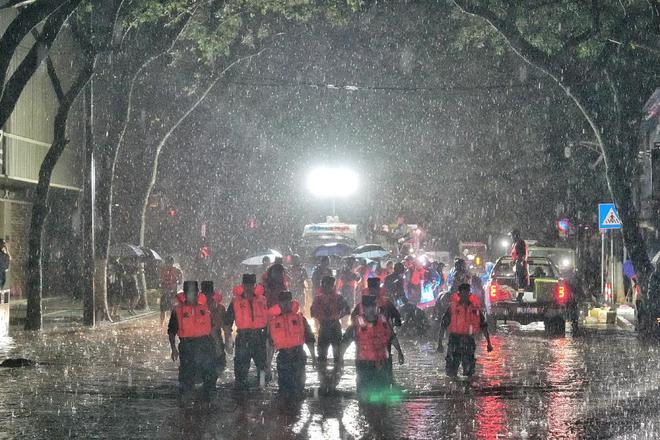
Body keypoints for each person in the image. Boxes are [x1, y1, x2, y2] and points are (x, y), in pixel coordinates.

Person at [341, 294, 404, 401]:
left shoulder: (384, 321)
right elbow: (345, 343)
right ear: (363, 308)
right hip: (364, 365)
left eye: (373, 306)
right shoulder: (356, 325)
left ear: (377, 307)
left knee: (383, 395)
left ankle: (380, 415)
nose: (370, 309)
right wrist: (340, 359)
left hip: (382, 364)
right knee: (364, 396)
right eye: (367, 307)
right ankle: (365, 413)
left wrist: (400, 352)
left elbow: (392, 337)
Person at [168, 281, 220, 405]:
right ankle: (186, 398)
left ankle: (208, 397)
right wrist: (173, 348)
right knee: (187, 373)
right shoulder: (178, 311)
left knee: (209, 371)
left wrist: (217, 345)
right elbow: (171, 331)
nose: (193, 296)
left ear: (198, 294)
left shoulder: (205, 309)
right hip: (187, 345)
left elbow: (212, 328)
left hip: (205, 344)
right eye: (190, 293)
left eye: (195, 293)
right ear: (185, 295)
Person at [223, 274, 269, 389]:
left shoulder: (263, 300)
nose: (249, 288)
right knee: (241, 370)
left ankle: (263, 391)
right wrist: (228, 341)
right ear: (243, 286)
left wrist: (270, 337)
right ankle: (240, 394)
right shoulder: (235, 302)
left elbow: (269, 320)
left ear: (254, 286)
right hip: (243, 338)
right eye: (246, 285)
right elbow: (227, 322)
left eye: (251, 285)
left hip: (259, 337)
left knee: (262, 367)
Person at [437, 283, 493, 378]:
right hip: (455, 339)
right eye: (463, 293)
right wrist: (439, 343)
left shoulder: (475, 309)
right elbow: (443, 325)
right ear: (459, 294)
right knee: (451, 370)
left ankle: (466, 389)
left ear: (469, 294)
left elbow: (483, 325)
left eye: (467, 293)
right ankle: (454, 388)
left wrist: (489, 343)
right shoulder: (452, 308)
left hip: (469, 340)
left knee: (469, 371)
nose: (465, 296)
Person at [268, 291, 316, 400]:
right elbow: (270, 344)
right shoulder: (273, 322)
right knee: (284, 390)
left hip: (298, 355)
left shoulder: (300, 319)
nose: (285, 305)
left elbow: (310, 339)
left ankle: (296, 411)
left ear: (291, 303)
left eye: (287, 302)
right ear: (279, 304)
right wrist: (268, 364)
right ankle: (287, 412)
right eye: (283, 303)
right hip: (283, 357)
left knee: (299, 389)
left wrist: (313, 357)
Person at [310, 276, 351, 364]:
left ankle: (334, 372)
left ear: (333, 286)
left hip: (333, 326)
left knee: (337, 356)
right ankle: (327, 373)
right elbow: (313, 312)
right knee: (322, 355)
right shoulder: (318, 299)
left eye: (330, 285)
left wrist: (337, 317)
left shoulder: (338, 298)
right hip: (325, 326)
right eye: (326, 284)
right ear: (323, 285)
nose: (328, 287)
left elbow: (347, 309)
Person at [201, 280, 227, 373]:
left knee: (217, 369)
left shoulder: (220, 308)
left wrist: (228, 341)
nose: (207, 297)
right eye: (206, 294)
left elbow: (226, 327)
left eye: (208, 294)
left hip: (213, 343)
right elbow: (226, 328)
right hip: (206, 343)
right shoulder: (220, 308)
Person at [160, 256, 183, 326]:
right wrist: (178, 281)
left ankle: (162, 324)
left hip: (166, 292)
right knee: (172, 308)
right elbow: (180, 280)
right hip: (172, 292)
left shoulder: (162, 270)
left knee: (163, 309)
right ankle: (172, 323)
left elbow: (160, 280)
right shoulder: (176, 270)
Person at [511, 229, 529, 298]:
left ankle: (520, 296)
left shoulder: (520, 242)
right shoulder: (516, 243)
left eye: (512, 236)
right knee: (519, 280)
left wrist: (520, 262)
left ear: (515, 236)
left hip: (520, 263)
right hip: (518, 263)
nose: (511, 238)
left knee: (520, 280)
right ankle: (519, 295)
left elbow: (522, 254)